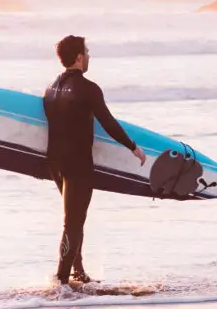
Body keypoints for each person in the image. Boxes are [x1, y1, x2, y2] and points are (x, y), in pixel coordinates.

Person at [42, 34, 142, 288]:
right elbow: (108, 122)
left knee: (75, 217)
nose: (88, 57)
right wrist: (132, 147)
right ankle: (62, 282)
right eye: (86, 52)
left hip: (55, 161)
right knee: (73, 221)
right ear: (78, 57)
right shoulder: (88, 88)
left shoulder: (51, 88)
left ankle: (78, 271)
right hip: (77, 163)